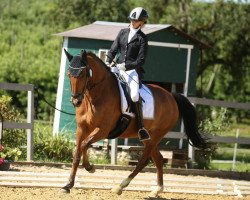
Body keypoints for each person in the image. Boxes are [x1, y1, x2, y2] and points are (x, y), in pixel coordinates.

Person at [106, 7, 150, 141]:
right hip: (117, 67)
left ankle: (141, 127)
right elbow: (113, 49)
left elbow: (140, 60)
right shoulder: (122, 32)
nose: (133, 22)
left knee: (135, 94)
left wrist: (126, 66)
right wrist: (108, 61)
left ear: (141, 23)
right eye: (132, 19)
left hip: (131, 71)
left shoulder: (142, 38)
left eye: (136, 20)